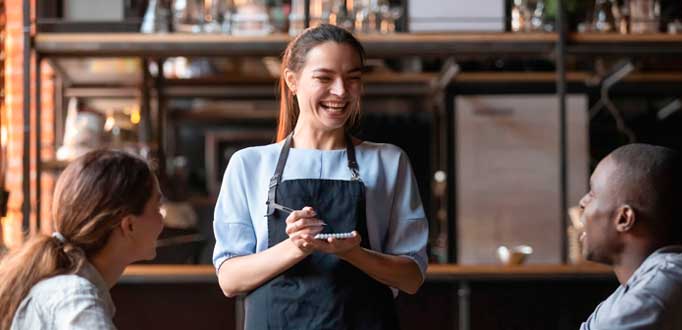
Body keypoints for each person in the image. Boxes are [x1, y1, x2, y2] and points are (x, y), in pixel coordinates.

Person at [213, 24, 428, 330]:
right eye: (324, 78)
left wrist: (354, 254)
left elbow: (411, 277)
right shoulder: (249, 164)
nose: (341, 91)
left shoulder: (388, 161)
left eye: (352, 78)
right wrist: (296, 246)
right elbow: (230, 280)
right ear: (292, 81)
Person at [0, 149, 164, 330]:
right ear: (129, 225)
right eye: (157, 207)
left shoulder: (68, 291)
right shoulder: (77, 300)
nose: (162, 218)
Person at [578, 143, 682, 330]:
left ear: (624, 218)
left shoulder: (658, 292)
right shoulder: (630, 292)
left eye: (592, 194)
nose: (582, 203)